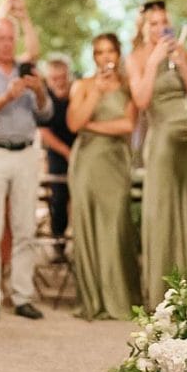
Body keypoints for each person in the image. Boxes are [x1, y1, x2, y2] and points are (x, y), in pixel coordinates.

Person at [0, 11, 52, 322]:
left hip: (25, 152)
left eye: (10, 38)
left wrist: (40, 91)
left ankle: (22, 296)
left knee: (25, 228)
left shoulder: (28, 70)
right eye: (0, 38)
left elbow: (46, 117)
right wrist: (7, 97)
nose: (6, 44)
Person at [127, 0, 187, 309]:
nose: (160, 28)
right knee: (160, 214)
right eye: (153, 23)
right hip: (160, 140)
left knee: (186, 213)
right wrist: (154, 61)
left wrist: (182, 64)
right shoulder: (134, 58)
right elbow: (142, 100)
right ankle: (159, 293)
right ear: (143, 28)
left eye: (164, 22)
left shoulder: (180, 52)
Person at [67, 34, 140, 320]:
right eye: (99, 52)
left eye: (110, 51)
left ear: (118, 54)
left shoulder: (128, 88)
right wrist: (95, 93)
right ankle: (93, 299)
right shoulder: (84, 86)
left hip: (115, 164)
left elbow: (127, 125)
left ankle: (119, 297)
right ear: (93, 57)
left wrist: (92, 125)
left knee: (116, 226)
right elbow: (74, 123)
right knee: (87, 226)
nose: (105, 57)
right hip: (86, 164)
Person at [39, 55, 75, 249]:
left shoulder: (76, 94)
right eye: (54, 78)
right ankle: (58, 244)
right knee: (59, 198)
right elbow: (44, 132)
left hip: (79, 150)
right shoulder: (45, 99)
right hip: (57, 154)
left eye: (63, 78)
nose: (59, 82)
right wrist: (66, 151)